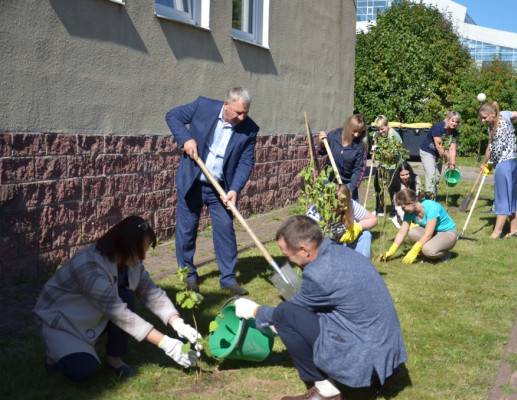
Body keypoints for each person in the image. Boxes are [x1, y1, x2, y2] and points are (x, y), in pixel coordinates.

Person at [234, 216, 407, 400]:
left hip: (366, 360)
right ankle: (372, 380)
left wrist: (254, 310)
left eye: (287, 255)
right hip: (387, 355)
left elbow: (292, 309)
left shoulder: (319, 274)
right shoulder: (342, 252)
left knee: (284, 315)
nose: (288, 260)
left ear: (305, 250)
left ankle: (327, 391)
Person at [34, 216, 201, 381]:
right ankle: (54, 356)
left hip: (91, 313)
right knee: (84, 370)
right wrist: (166, 343)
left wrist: (176, 321)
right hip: (63, 321)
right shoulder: (89, 266)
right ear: (124, 246)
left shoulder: (130, 261)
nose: (142, 257)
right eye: (140, 251)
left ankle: (114, 360)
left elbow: (151, 292)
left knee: (126, 295)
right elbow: (119, 313)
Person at [166, 87, 259, 295]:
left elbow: (246, 162)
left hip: (221, 188)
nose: (242, 117)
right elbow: (172, 116)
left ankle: (228, 278)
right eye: (238, 112)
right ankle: (188, 274)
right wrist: (186, 138)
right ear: (226, 105)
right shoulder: (203, 106)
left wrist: (235, 189)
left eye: (246, 112)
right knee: (187, 230)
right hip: (193, 181)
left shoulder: (249, 129)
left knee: (225, 230)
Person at [479, 102, 517, 239]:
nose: (482, 120)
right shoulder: (502, 116)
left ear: (492, 114)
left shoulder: (500, 127)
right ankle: (514, 229)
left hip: (504, 164)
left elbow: (496, 152)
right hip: (512, 162)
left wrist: (489, 165)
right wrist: (484, 163)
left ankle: (497, 232)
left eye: (485, 117)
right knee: (512, 197)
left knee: (502, 198)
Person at [380, 188, 457, 263]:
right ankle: (428, 250)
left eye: (403, 207)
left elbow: (428, 234)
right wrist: (391, 251)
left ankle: (445, 254)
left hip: (447, 233)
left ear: (412, 202)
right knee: (412, 233)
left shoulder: (431, 207)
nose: (403, 210)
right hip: (433, 232)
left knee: (428, 250)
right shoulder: (409, 212)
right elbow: (402, 232)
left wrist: (414, 250)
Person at [318, 114, 367, 201]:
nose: (356, 135)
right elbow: (321, 151)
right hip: (329, 181)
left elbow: (358, 170)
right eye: (355, 131)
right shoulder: (334, 135)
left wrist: (350, 189)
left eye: (360, 132)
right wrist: (322, 142)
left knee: (350, 213)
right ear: (348, 126)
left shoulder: (360, 146)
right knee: (325, 210)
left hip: (347, 184)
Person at [418, 111, 461, 198]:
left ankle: (434, 197)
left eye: (457, 122)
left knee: (437, 177)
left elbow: (452, 149)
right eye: (453, 121)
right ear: (448, 119)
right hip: (428, 151)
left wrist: (452, 163)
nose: (454, 123)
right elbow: (439, 147)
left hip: (439, 155)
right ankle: (429, 199)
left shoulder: (454, 133)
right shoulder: (438, 128)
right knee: (431, 175)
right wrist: (448, 159)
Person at [333, 184, 378, 259]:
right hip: (330, 245)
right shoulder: (323, 209)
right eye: (338, 201)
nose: (340, 204)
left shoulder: (351, 205)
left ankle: (363, 266)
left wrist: (358, 226)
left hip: (347, 243)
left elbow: (374, 219)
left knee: (365, 235)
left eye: (343, 201)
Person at [371, 115, 403, 218]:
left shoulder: (394, 136)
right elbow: (375, 146)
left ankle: (394, 211)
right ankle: (379, 208)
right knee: (377, 185)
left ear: (387, 126)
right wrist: (374, 150)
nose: (380, 131)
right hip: (382, 164)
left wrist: (380, 150)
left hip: (393, 165)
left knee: (392, 188)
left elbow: (392, 154)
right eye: (378, 129)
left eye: (382, 129)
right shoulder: (376, 134)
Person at [389, 161, 420, 229]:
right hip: (401, 207)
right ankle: (396, 218)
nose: (405, 177)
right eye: (402, 175)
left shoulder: (416, 179)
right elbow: (397, 205)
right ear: (398, 175)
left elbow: (417, 198)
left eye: (407, 174)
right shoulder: (396, 184)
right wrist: (404, 217)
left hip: (413, 203)